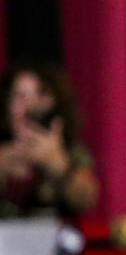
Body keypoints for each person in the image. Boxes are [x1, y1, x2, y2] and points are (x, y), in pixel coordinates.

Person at [0, 62, 98, 218]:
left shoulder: (71, 151)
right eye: (20, 96)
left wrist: (57, 164)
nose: (30, 106)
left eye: (40, 95)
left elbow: (86, 200)